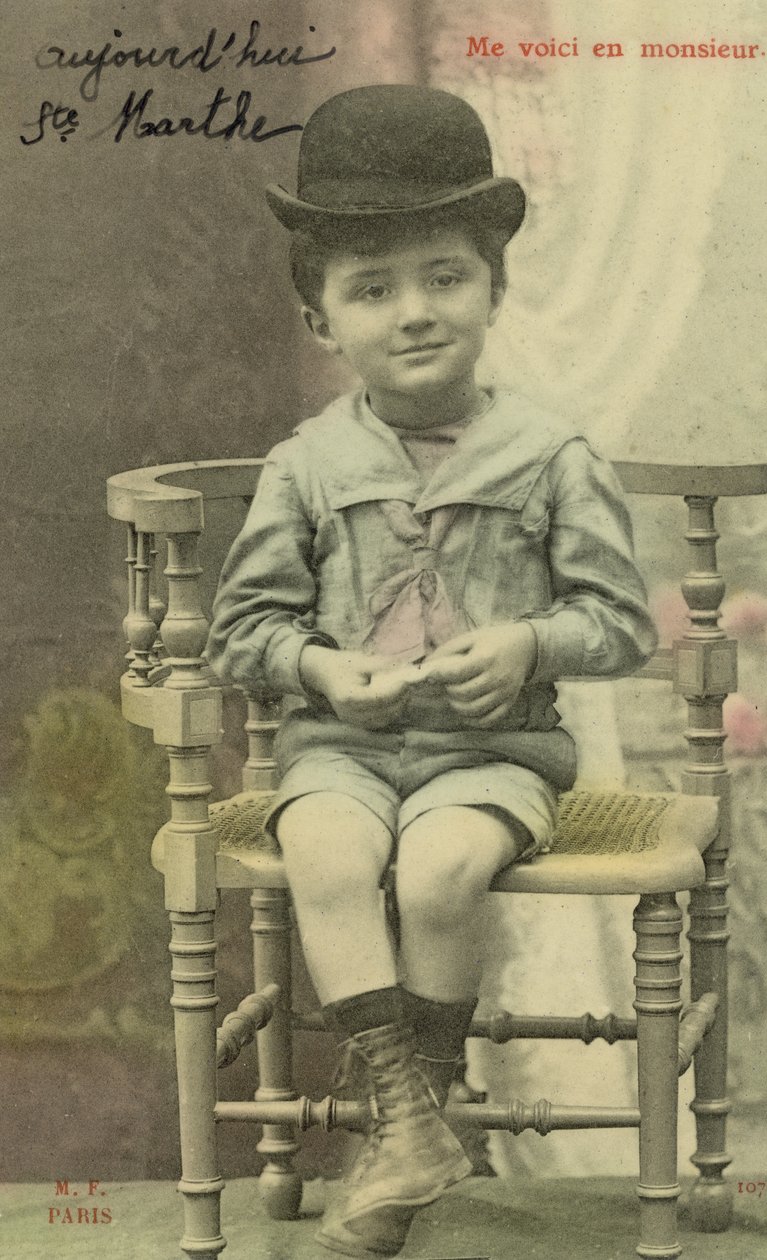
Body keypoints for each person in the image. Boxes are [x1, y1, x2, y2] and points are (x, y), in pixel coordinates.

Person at [206, 84, 657, 1258]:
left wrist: (527, 644)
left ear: (495, 286)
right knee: (324, 846)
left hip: (492, 754)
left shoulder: (551, 455)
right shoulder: (305, 465)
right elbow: (241, 630)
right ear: (321, 320)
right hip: (345, 748)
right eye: (372, 288)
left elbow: (620, 621)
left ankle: (413, 1119)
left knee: (445, 866)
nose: (415, 312)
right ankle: (412, 1122)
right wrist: (317, 667)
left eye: (446, 276)